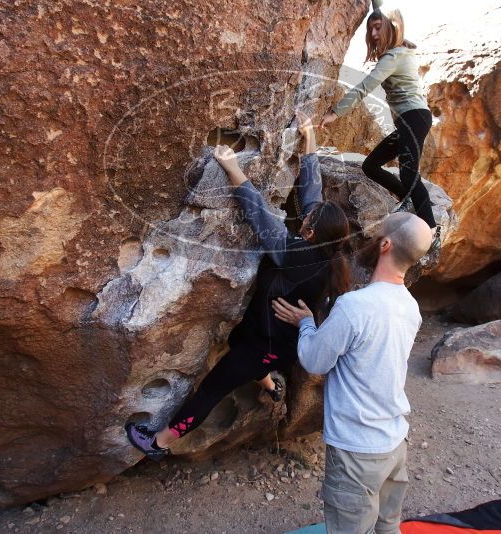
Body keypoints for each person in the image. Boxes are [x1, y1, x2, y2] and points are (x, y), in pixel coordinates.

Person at [126, 112, 352, 460]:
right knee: (237, 340)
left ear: (308, 232)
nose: (306, 214)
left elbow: (259, 214)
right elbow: (313, 194)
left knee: (214, 386)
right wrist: (309, 140)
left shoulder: (295, 255)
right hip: (268, 333)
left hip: (269, 343)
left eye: (307, 219)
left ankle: (158, 444)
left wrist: (232, 167)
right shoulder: (324, 248)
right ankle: (268, 382)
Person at [273, 211, 433, 534]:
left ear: (385, 245)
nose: (371, 239)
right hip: (394, 442)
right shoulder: (410, 307)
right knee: (389, 528)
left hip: (357, 451)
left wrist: (305, 324)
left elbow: (315, 361)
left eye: (378, 235)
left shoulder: (354, 307)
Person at [319, 0, 436, 230]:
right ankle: (409, 200)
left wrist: (335, 112)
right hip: (410, 121)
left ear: (392, 28)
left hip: (414, 118)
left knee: (408, 173)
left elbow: (365, 86)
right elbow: (381, 12)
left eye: (377, 28)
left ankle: (431, 229)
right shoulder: (400, 51)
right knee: (371, 166)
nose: (373, 34)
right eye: (370, 28)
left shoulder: (394, 56)